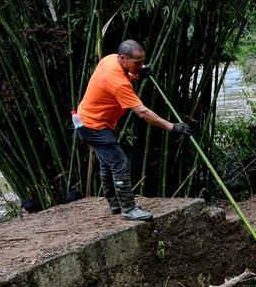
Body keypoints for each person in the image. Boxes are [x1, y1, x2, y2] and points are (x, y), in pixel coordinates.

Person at [75, 40, 192, 221]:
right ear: (123, 58)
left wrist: (136, 74)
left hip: (88, 120)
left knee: (107, 163)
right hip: (94, 126)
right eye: (137, 63)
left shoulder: (110, 59)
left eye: (143, 61)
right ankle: (128, 209)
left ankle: (115, 204)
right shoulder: (118, 82)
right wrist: (172, 126)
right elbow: (142, 112)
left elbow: (119, 78)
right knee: (120, 163)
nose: (142, 66)